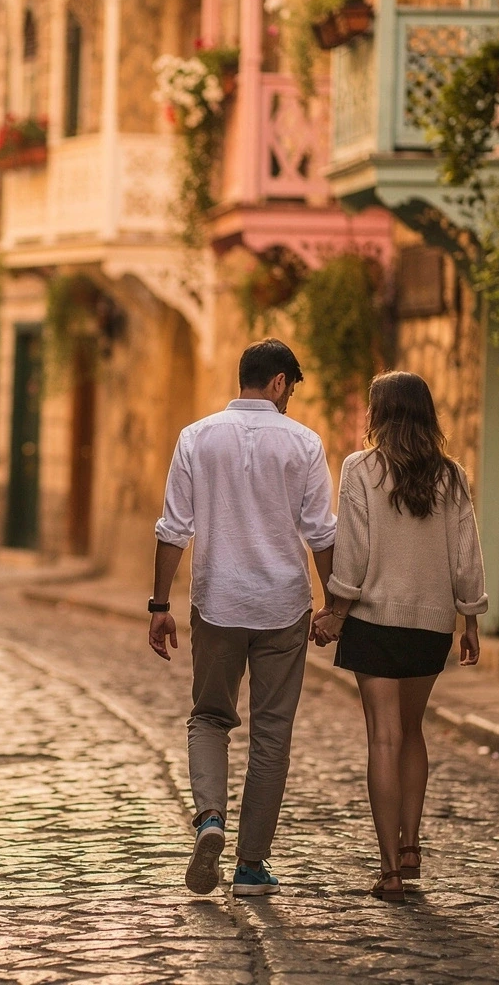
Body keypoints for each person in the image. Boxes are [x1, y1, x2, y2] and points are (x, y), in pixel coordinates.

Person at [149, 339, 337, 897]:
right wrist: (334, 606)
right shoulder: (304, 443)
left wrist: (159, 607)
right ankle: (251, 867)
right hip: (283, 605)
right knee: (271, 735)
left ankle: (210, 819)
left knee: (209, 717)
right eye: (291, 389)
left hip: (218, 602)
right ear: (279, 383)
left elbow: (172, 528)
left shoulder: (196, 438)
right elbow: (321, 533)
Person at [311, 371, 486, 901]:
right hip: (430, 625)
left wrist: (334, 610)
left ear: (379, 413)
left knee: (383, 739)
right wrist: (470, 617)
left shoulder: (360, 469)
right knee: (413, 733)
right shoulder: (452, 476)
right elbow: (466, 551)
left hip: (374, 622)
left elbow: (354, 552)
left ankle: (389, 870)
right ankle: (412, 846)